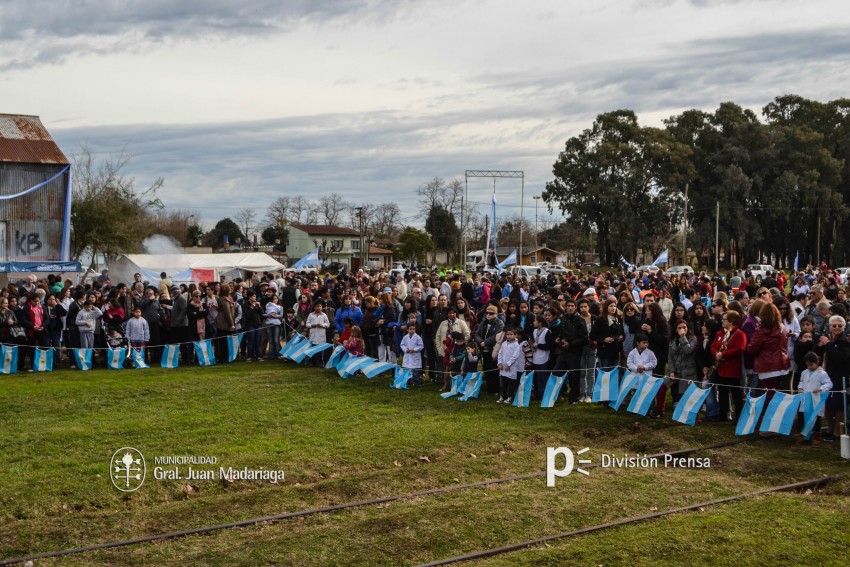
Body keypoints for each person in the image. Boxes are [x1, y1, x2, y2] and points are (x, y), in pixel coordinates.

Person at [746, 303, 789, 423]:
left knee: (767, 396)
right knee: (779, 396)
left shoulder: (760, 331)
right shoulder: (782, 328)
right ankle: (778, 422)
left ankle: (767, 423)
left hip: (767, 367)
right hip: (782, 365)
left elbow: (752, 349)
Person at [815, 315, 850, 441]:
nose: (836, 328)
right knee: (828, 405)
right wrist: (820, 346)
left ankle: (837, 432)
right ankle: (830, 429)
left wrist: (828, 344)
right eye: (834, 325)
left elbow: (839, 358)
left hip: (839, 378)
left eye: (839, 326)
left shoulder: (845, 342)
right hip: (826, 376)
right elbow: (817, 355)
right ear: (829, 327)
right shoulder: (827, 339)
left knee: (839, 406)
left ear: (844, 327)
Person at [711, 310, 747, 422]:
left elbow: (740, 349)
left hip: (733, 369)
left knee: (736, 394)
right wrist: (716, 353)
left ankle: (739, 416)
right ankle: (723, 415)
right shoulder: (719, 333)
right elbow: (713, 346)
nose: (722, 321)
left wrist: (724, 354)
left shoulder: (740, 334)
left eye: (724, 319)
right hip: (721, 369)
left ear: (731, 321)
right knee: (722, 392)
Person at [796, 351, 832, 447]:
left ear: (817, 362)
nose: (809, 367)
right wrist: (800, 388)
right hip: (806, 399)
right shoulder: (804, 372)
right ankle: (806, 437)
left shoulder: (822, 373)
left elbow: (829, 384)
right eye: (807, 365)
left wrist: (821, 388)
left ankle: (816, 438)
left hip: (816, 400)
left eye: (811, 365)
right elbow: (801, 382)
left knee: (816, 418)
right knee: (806, 418)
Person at [475, 304, 505, 395]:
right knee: (486, 368)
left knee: (494, 369)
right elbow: (477, 334)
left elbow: (497, 336)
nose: (488, 315)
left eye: (491, 313)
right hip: (483, 349)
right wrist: (481, 342)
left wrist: (485, 342)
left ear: (496, 314)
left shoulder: (500, 323)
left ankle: (495, 389)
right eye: (487, 313)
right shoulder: (483, 322)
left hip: (494, 350)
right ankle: (489, 388)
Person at [496, 327, 524, 404]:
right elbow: (500, 354)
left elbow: (515, 356)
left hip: (511, 368)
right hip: (503, 368)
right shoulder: (504, 344)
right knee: (503, 383)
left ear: (515, 335)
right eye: (507, 334)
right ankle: (503, 396)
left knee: (511, 384)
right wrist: (500, 363)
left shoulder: (516, 345)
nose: (509, 336)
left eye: (511, 334)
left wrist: (508, 364)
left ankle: (510, 397)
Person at [305, 300, 330, 367]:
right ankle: (312, 362)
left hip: (321, 334)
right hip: (313, 334)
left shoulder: (324, 315)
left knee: (320, 350)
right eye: (317, 306)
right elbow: (307, 324)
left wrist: (322, 325)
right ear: (314, 307)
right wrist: (312, 325)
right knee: (313, 348)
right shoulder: (311, 315)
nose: (319, 308)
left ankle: (320, 362)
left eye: (320, 306)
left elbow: (328, 324)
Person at [264, 294, 284, 359]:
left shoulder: (280, 307)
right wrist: (269, 315)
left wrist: (274, 316)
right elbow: (264, 314)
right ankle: (271, 354)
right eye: (273, 299)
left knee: (276, 339)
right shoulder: (268, 306)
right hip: (268, 324)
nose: (274, 300)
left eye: (275, 298)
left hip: (277, 324)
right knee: (270, 340)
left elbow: (281, 315)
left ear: (278, 299)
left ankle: (279, 353)